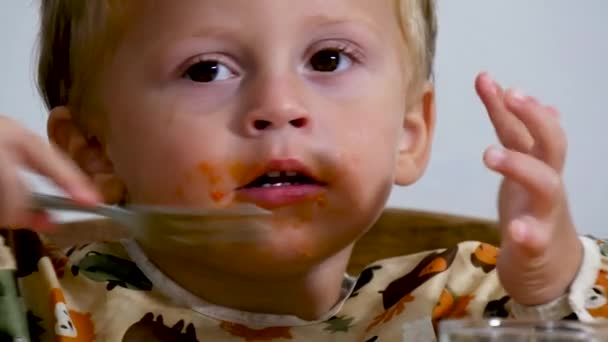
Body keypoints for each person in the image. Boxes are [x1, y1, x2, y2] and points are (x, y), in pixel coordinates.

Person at [0, 0, 606, 340]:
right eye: (207, 70)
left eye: (328, 58)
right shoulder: (29, 299)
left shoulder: (463, 306)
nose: (280, 107)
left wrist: (554, 283)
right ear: (94, 152)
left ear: (408, 132)